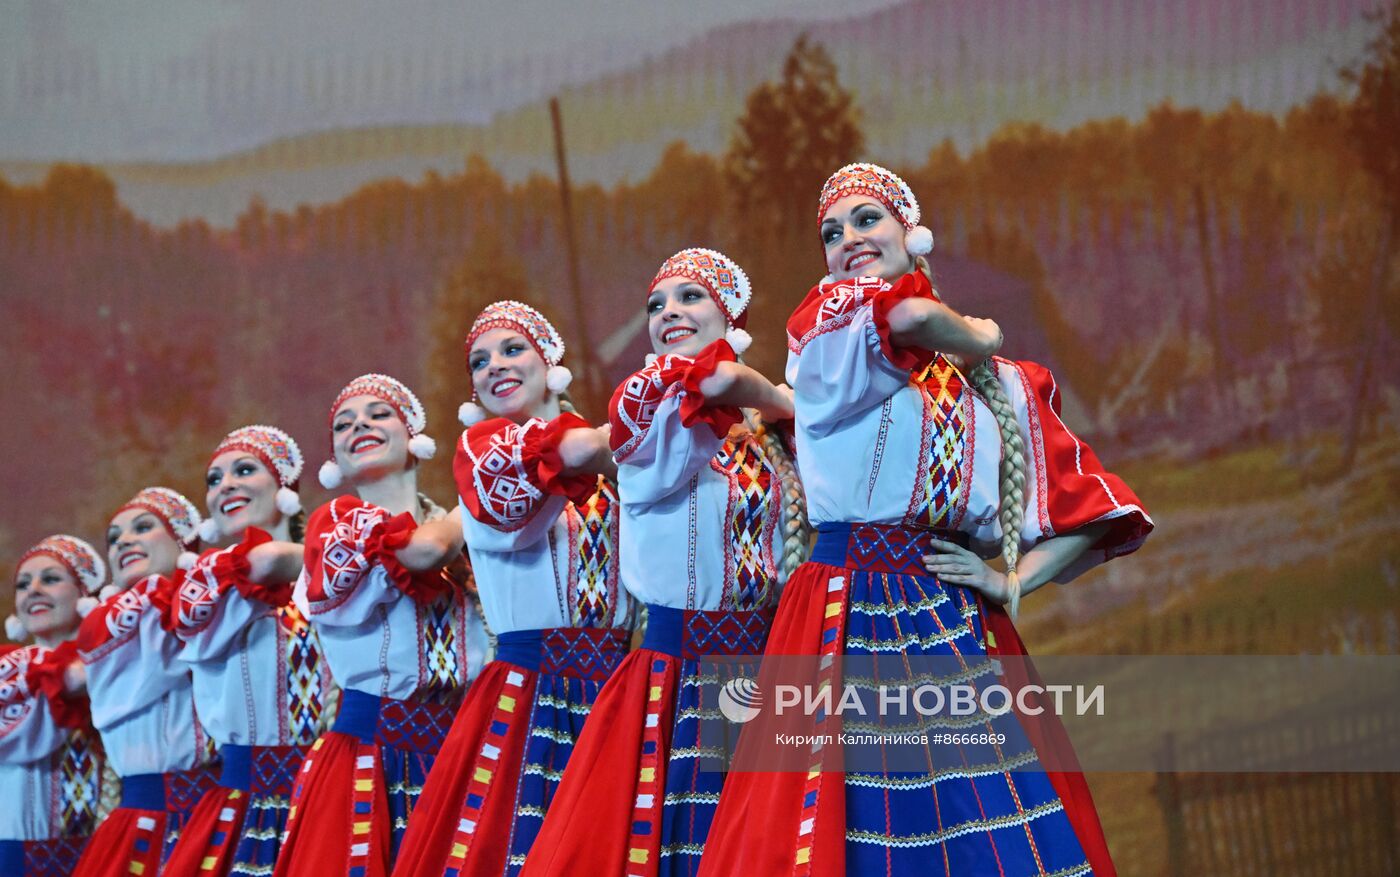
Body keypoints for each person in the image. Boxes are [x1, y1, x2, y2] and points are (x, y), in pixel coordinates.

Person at [699, 162, 1155, 876]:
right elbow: (908, 316)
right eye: (831, 231)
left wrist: (1009, 583)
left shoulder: (999, 388)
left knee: (983, 830)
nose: (848, 237)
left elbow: (1092, 509)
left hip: (951, 622)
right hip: (843, 614)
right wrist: (984, 332)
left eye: (867, 219)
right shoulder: (832, 329)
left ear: (914, 234)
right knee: (836, 828)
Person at [519, 248, 808, 877]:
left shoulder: (766, 432)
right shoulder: (648, 413)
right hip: (678, 676)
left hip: (763, 669)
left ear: (730, 314)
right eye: (656, 305)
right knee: (686, 845)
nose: (668, 311)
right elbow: (716, 386)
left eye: (690, 297)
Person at [395, 301, 634, 876]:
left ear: (549, 358)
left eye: (511, 349)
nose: (494, 366)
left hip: (617, 684)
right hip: (534, 695)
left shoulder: (607, 470)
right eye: (479, 361)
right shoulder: (484, 459)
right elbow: (571, 453)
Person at [274, 373, 489, 876]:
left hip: (455, 753)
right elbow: (423, 551)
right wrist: (468, 514)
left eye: (377, 414)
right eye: (343, 425)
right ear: (335, 460)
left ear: (413, 433)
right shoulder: (336, 526)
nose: (359, 426)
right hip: (373, 756)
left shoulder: (462, 538)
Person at [163, 425, 334, 877]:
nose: (226, 486)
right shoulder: (209, 581)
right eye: (214, 480)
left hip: (329, 787)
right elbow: (266, 562)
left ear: (284, 489)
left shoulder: (331, 575)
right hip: (251, 801)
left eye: (244, 470)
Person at [72, 487, 222, 877]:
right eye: (114, 538)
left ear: (182, 540)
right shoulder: (108, 629)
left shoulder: (226, 601)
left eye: (143, 527)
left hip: (219, 815)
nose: (124, 541)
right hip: (146, 824)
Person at [0, 535, 110, 877]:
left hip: (104, 855)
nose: (33, 590)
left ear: (84, 595)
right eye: (23, 584)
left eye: (50, 579)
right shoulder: (9, 673)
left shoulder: (116, 665)